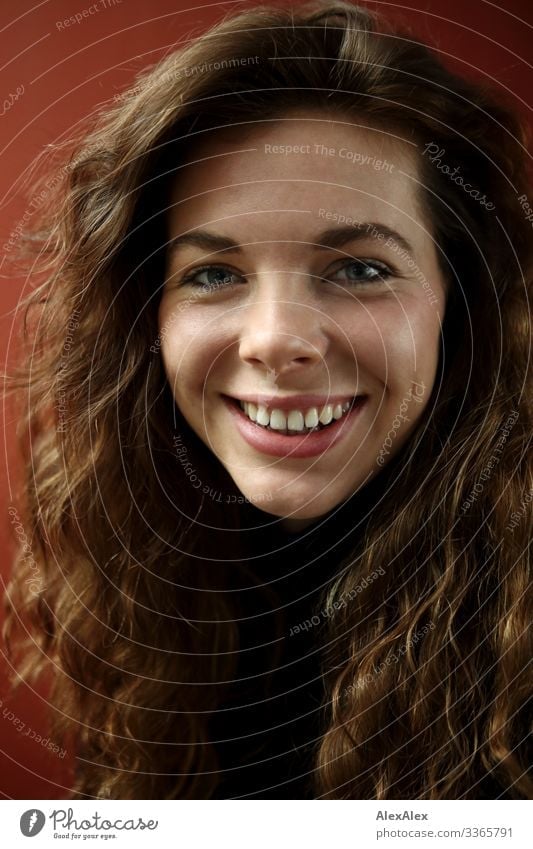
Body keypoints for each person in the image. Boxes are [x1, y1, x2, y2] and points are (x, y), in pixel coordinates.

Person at [2, 1, 531, 800]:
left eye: (359, 268)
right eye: (214, 275)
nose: (276, 340)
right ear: (151, 314)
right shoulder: (143, 578)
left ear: (458, 306)